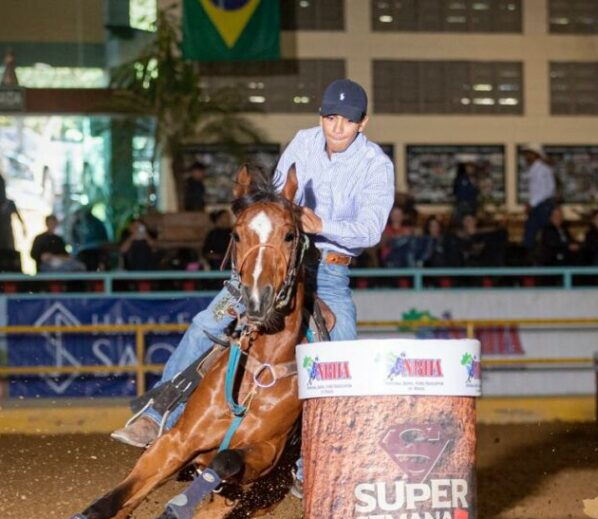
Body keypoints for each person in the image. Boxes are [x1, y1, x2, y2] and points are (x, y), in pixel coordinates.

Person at [111, 78, 395, 452]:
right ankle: (157, 413)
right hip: (277, 259)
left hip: (327, 270)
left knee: (341, 354)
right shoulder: (303, 142)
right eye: (330, 117)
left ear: (363, 122)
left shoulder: (376, 164)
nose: (337, 127)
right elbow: (276, 196)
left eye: (347, 119)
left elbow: (371, 230)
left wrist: (323, 225)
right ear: (321, 117)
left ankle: (321, 457)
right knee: (207, 323)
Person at [521, 144, 556, 252]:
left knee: (531, 234)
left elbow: (544, 191)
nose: (525, 156)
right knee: (536, 234)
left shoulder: (541, 169)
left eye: (528, 154)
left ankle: (530, 259)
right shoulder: (536, 169)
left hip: (542, 206)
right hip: (541, 205)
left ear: (535, 155)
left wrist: (531, 203)